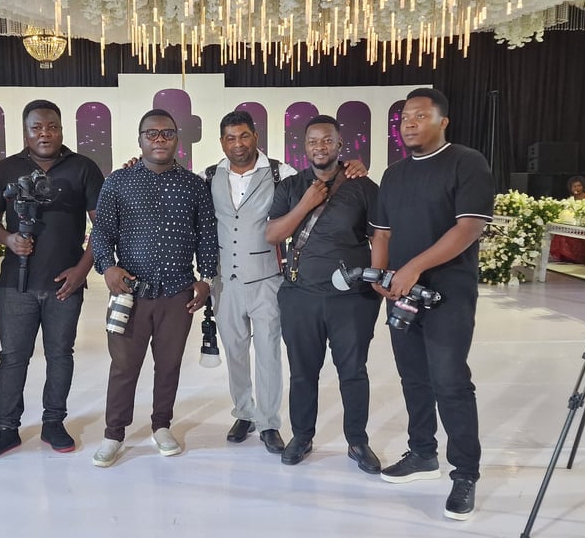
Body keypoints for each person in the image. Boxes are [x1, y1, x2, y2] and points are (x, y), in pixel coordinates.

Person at [369, 88, 493, 521]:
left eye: (420, 115)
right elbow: (381, 234)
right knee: (413, 378)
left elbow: (468, 229)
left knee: (450, 380)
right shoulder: (394, 174)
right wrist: (383, 277)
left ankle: (465, 473)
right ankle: (422, 453)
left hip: (449, 292)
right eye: (405, 116)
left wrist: (414, 268)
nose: (409, 122)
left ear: (443, 121)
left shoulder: (467, 162)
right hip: (401, 293)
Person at [0, 100, 104, 461]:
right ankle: (6, 429)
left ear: (62, 129)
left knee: (60, 355)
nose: (44, 133)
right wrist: (8, 239)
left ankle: (53, 422)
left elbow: (103, 225)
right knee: (12, 357)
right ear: (25, 131)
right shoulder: (4, 170)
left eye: (51, 126)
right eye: (36, 128)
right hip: (16, 283)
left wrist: (81, 270)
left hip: (65, 282)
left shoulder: (83, 168)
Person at [88, 108, 217, 468]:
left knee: (169, 364)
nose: (159, 139)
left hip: (178, 293)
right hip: (131, 291)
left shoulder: (194, 186)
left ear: (177, 138)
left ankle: (161, 425)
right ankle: (114, 433)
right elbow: (101, 232)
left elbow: (207, 236)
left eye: (167, 133)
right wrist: (107, 266)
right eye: (152, 133)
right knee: (124, 366)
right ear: (140, 139)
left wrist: (205, 279)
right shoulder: (118, 182)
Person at [265, 115, 381, 474]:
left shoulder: (363, 185)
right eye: (313, 141)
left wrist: (378, 279)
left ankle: (357, 441)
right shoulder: (291, 186)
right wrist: (306, 203)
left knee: (353, 371)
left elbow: (380, 235)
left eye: (327, 141)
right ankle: (302, 436)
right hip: (300, 295)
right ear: (304, 147)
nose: (320, 147)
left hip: (353, 298)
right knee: (303, 372)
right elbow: (272, 235)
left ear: (339, 144)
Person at [206, 111, 297, 454]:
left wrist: (351, 170)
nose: (238, 144)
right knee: (236, 352)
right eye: (230, 138)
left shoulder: (280, 172)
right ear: (222, 142)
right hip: (224, 282)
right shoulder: (210, 175)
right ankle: (244, 412)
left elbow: (317, 189)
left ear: (255, 136)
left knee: (269, 353)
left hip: (267, 280)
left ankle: (269, 422)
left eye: (244, 136)